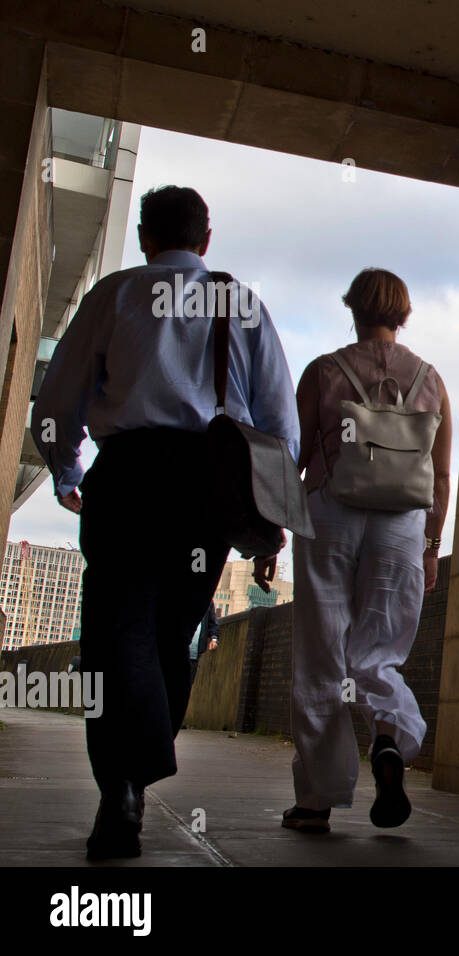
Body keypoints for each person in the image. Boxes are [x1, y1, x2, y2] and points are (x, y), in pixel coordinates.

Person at [31, 185, 299, 859]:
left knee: (115, 632)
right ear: (205, 241)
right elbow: (280, 428)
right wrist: (272, 520)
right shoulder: (243, 306)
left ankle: (119, 788)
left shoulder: (114, 295)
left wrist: (66, 474)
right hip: (203, 493)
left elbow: (58, 403)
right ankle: (136, 776)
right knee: (173, 633)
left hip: (124, 479)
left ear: (146, 236)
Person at [283, 267, 452, 833]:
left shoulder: (324, 371)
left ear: (352, 309)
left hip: (330, 513)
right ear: (402, 315)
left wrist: (272, 532)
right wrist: (431, 547)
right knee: (378, 653)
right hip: (402, 526)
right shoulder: (431, 380)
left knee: (322, 658)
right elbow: (442, 476)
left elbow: (296, 456)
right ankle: (388, 743)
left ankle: (316, 801)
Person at [188, 601, 220, 685]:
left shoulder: (208, 602)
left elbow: (213, 623)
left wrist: (214, 639)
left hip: (193, 654)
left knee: (187, 684)